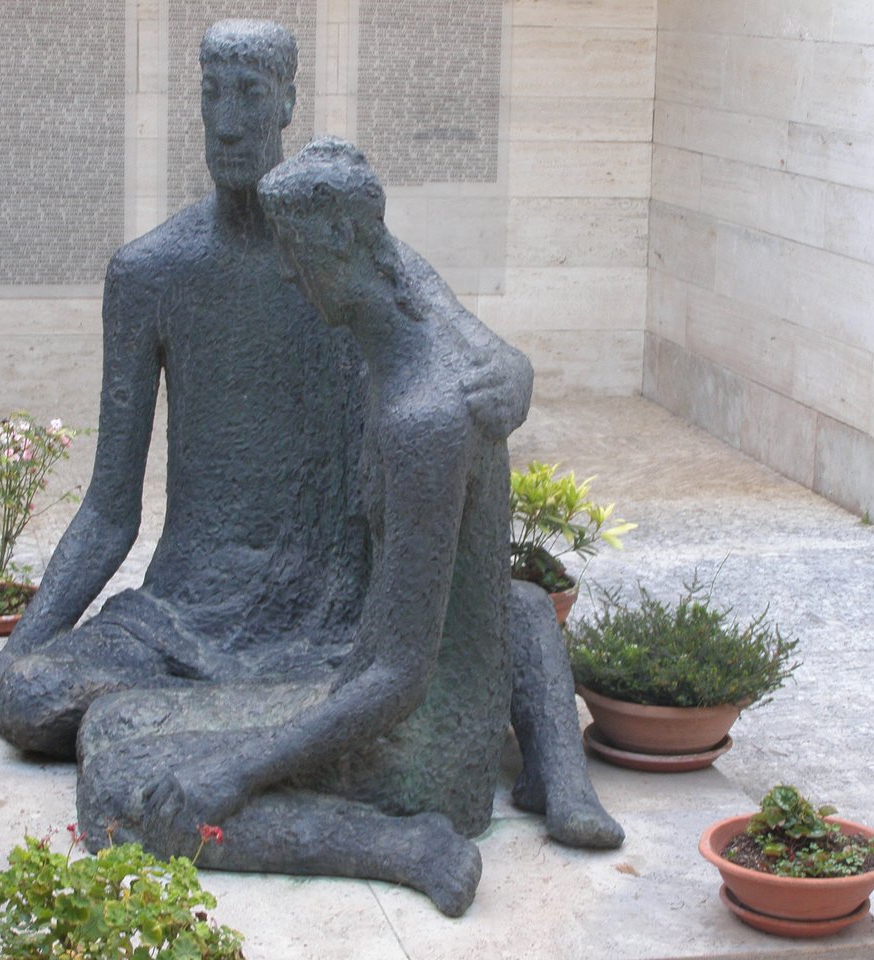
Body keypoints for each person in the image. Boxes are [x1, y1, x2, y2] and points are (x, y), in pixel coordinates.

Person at [74, 138, 622, 917]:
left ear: (340, 246)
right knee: (111, 721)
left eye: (297, 254)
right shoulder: (411, 360)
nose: (289, 275)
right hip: (397, 700)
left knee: (119, 790)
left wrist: (237, 771)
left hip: (427, 751)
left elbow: (396, 681)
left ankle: (406, 846)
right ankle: (534, 784)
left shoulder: (422, 419)